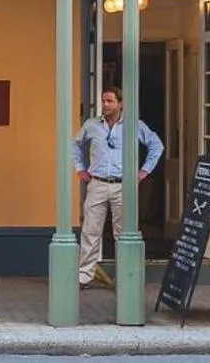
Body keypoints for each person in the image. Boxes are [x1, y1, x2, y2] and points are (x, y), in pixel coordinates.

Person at [72, 86, 164, 289]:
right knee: (90, 230)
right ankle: (84, 275)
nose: (105, 105)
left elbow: (156, 145)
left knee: (122, 232)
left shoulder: (134, 125)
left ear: (120, 104)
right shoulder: (92, 125)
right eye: (103, 101)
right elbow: (75, 145)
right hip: (96, 182)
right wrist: (80, 168)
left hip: (122, 185)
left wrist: (144, 171)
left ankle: (124, 277)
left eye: (110, 101)